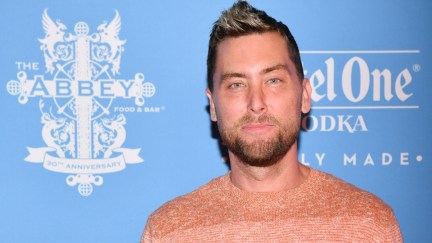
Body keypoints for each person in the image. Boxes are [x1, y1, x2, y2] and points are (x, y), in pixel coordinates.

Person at [141, 1, 403, 242]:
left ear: (305, 96)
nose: (256, 102)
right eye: (236, 84)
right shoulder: (169, 231)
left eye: (273, 81)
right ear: (213, 105)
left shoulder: (369, 225)